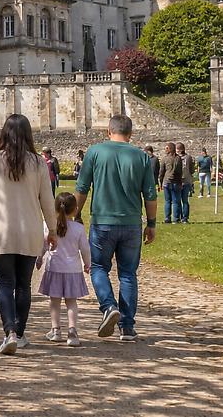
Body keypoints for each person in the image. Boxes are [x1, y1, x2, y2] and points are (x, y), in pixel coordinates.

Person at [0, 114, 58, 355]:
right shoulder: (39, 163)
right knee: (23, 285)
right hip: (29, 229)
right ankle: (19, 333)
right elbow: (47, 200)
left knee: (5, 284)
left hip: (1, 229)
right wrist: (51, 230)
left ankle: (9, 330)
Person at [74, 114, 158, 343]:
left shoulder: (94, 152)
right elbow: (150, 194)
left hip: (103, 221)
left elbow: (81, 188)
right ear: (131, 134)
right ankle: (128, 326)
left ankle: (109, 306)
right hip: (131, 222)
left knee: (99, 267)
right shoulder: (141, 156)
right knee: (128, 274)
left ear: (108, 131)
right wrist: (151, 224)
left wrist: (76, 214)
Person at [38, 192, 92, 347]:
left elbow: (42, 245)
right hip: (73, 270)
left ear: (55, 209)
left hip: (54, 267)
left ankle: (55, 330)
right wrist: (87, 264)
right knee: (71, 302)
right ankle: (72, 331)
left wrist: (39, 258)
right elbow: (85, 249)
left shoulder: (49, 226)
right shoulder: (78, 228)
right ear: (75, 209)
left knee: (54, 302)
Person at [158, 143, 182, 225]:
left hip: (166, 181)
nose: (165, 149)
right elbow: (179, 171)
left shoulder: (164, 159)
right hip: (175, 181)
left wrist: (160, 182)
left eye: (167, 148)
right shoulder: (178, 158)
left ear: (170, 149)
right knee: (175, 201)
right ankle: (175, 219)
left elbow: (161, 172)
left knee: (168, 201)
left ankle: (167, 218)